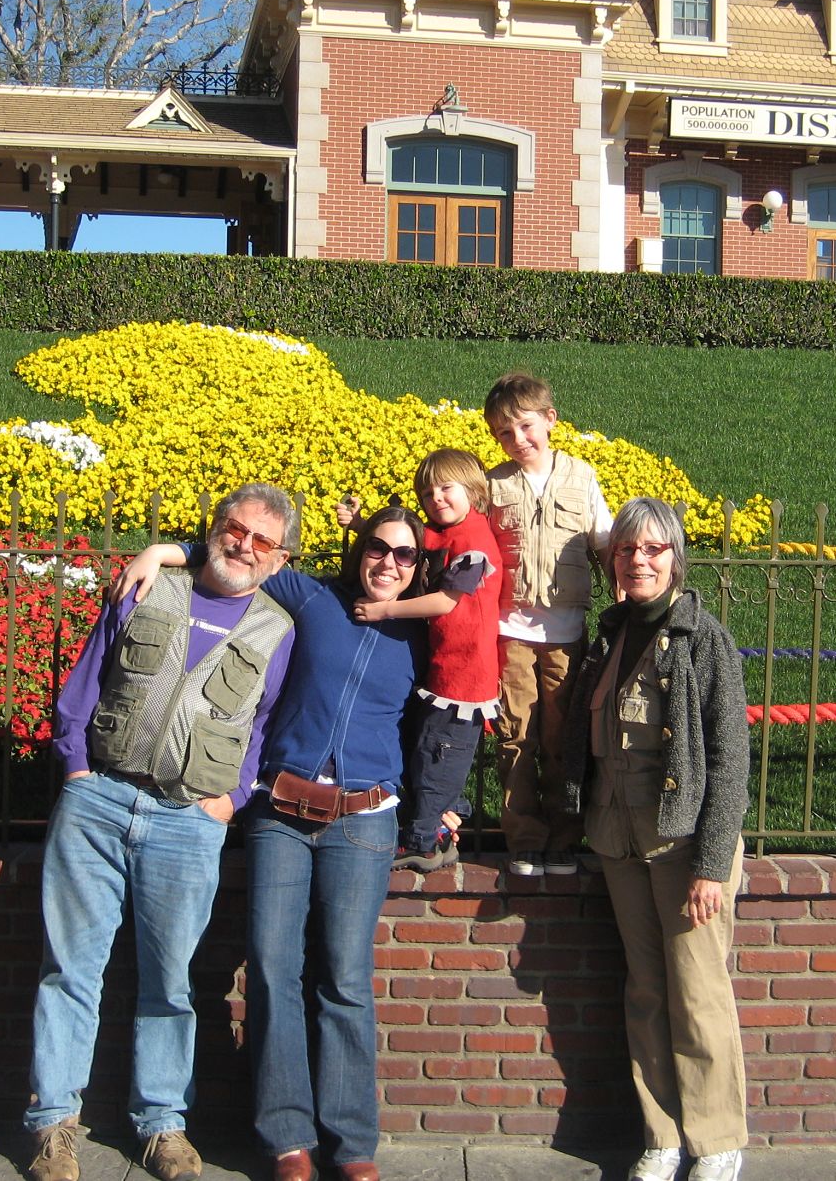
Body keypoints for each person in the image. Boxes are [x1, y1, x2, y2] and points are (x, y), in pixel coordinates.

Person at [112, 505, 427, 1181]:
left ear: (418, 567)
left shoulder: (422, 632)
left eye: (405, 555)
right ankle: (287, 1139)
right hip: (281, 810)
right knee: (273, 967)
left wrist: (444, 804)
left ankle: (353, 1145)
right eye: (379, 547)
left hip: (365, 817)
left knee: (345, 977)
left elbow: (450, 713)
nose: (388, 563)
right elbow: (240, 557)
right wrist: (160, 552)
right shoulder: (312, 598)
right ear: (359, 549)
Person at [24, 484, 298, 1181]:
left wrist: (232, 799)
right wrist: (77, 769)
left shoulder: (277, 629)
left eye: (262, 541)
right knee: (69, 970)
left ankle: (162, 1126)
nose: (243, 545)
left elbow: (265, 726)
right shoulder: (150, 586)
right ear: (214, 528)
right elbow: (87, 677)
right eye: (234, 528)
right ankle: (53, 1126)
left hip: (188, 820)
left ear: (279, 559)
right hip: (99, 801)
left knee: (170, 982)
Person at [559, 497, 751, 1181]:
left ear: (675, 558)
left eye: (652, 549)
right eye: (626, 549)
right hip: (618, 837)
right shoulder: (610, 634)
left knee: (697, 991)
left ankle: (717, 1141)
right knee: (645, 990)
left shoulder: (704, 640)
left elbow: (730, 759)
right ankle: (662, 1135)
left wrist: (711, 865)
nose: (637, 560)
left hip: (684, 844)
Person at [337, 448, 503, 871]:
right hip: (443, 666)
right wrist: (360, 524)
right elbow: (408, 542)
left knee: (437, 755)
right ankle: (447, 822)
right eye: (427, 493)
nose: (436, 499)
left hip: (463, 676)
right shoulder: (447, 531)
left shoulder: (475, 541)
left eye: (447, 488)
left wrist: (384, 609)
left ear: (473, 489)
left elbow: (447, 601)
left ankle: (421, 841)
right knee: (429, 749)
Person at [483, 371, 612, 877]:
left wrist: (623, 595)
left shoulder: (581, 477)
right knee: (516, 736)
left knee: (563, 739)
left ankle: (563, 837)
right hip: (511, 630)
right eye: (504, 432)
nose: (517, 439)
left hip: (566, 634)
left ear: (550, 420)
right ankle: (525, 839)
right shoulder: (494, 484)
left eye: (525, 426)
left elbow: (604, 540)